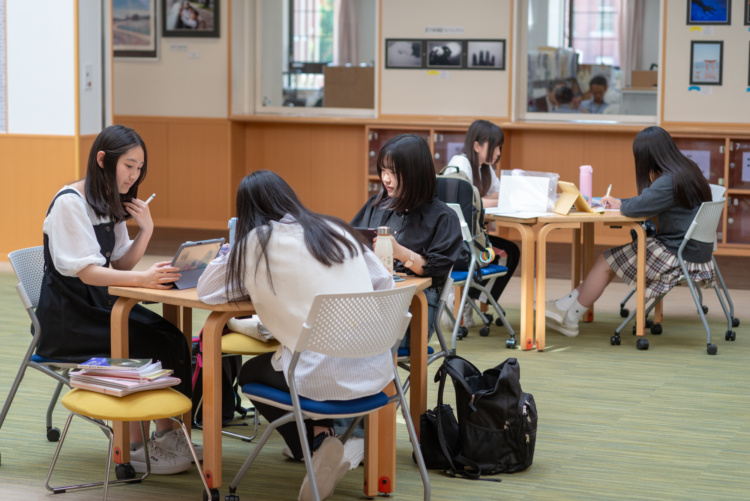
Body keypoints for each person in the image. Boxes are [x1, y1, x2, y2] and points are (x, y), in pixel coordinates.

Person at [197, 170, 395, 501]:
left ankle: (316, 448)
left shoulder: (254, 244)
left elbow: (207, 292)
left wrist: (230, 249)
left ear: (247, 213)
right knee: (311, 356)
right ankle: (322, 439)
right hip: (375, 370)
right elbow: (384, 283)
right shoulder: (335, 229)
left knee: (251, 373)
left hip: (318, 375)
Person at [35, 125, 197, 474]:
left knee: (173, 338)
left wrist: (147, 230)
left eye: (140, 168)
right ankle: (137, 446)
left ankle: (166, 435)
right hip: (71, 318)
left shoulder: (108, 201)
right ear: (103, 160)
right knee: (148, 343)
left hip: (100, 306)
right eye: (129, 166)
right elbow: (90, 273)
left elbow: (121, 262)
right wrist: (144, 278)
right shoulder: (70, 204)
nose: (134, 175)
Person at [545, 126, 715, 337]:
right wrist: (620, 202)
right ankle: (563, 307)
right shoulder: (688, 170)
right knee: (609, 260)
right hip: (695, 251)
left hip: (677, 255)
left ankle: (570, 319)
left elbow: (639, 207)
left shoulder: (669, 181)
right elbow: (646, 203)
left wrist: (620, 203)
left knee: (605, 261)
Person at [350, 133, 463, 343]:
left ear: (415, 173)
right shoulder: (378, 204)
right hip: (373, 297)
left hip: (414, 304)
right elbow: (351, 240)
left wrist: (399, 252)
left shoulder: (443, 218)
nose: (385, 178)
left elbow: (435, 271)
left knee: (360, 341)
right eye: (383, 170)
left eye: (392, 172)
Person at [446, 120, 521, 325]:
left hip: (472, 237)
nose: (498, 152)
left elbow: (496, 194)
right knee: (506, 253)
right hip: (457, 243)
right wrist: (497, 199)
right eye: (494, 146)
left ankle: (472, 302)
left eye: (499, 147)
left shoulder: (484, 168)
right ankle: (466, 303)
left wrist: (495, 198)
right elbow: (469, 202)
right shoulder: (461, 164)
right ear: (477, 146)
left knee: (509, 251)